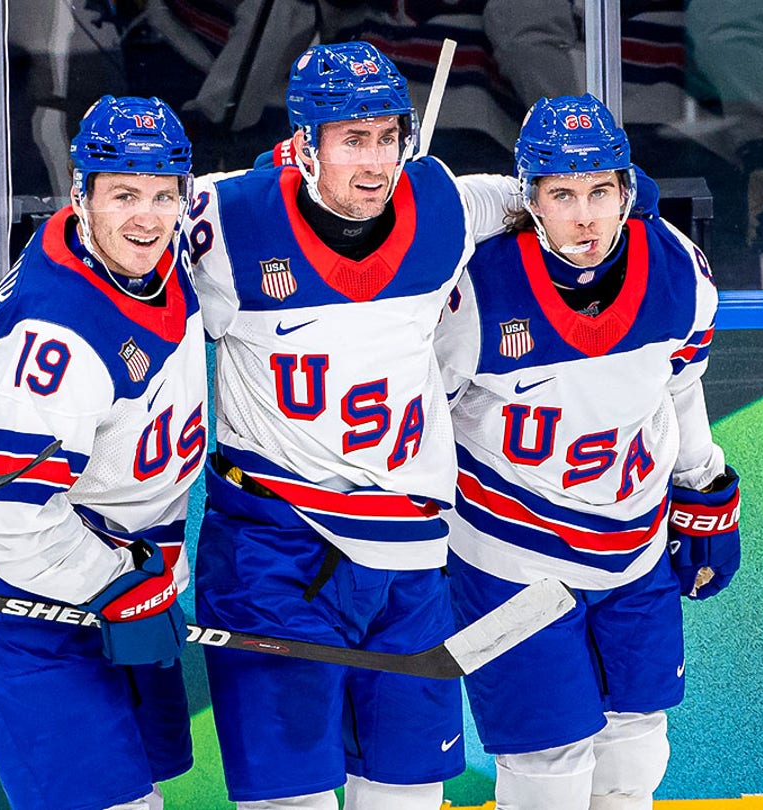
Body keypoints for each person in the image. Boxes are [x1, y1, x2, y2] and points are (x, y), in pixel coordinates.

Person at [186, 41, 514, 810]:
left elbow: (541, 195)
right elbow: (103, 231)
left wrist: (626, 203)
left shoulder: (442, 205)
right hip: (277, 553)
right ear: (305, 144)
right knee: (290, 801)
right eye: (352, 140)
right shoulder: (227, 218)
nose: (375, 164)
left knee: (409, 795)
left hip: (409, 557)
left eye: (388, 137)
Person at [433, 95, 741, 809]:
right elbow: (422, 420)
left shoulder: (677, 268)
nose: (585, 217)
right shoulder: (477, 288)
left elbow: (680, 385)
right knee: (550, 766)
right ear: (529, 199)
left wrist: (703, 487)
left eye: (600, 191)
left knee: (638, 749)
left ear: (626, 190)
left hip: (634, 547)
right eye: (562, 194)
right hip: (509, 559)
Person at [0, 95, 206, 810]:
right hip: (20, 584)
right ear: (82, 195)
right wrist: (117, 587)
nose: (147, 216)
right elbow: (15, 522)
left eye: (163, 194)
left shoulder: (145, 251)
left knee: (153, 783)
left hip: (124, 554)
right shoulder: (58, 339)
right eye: (124, 195)